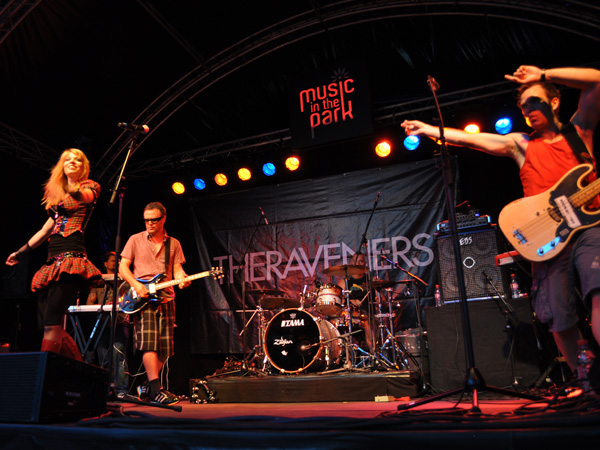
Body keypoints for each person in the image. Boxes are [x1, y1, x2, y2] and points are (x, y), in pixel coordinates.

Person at [401, 66, 600, 379]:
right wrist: (428, 129)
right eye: (523, 106)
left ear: (555, 101)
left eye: (534, 102)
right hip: (546, 238)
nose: (528, 110)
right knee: (558, 314)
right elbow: (473, 140)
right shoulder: (522, 143)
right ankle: (586, 381)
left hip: (590, 229)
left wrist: (543, 75)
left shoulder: (580, 131)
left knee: (598, 290)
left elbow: (597, 79)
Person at [5, 148, 102, 361]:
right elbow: (45, 230)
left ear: (84, 167)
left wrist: (69, 186)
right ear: (62, 166)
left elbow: (85, 197)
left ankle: (46, 368)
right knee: (46, 322)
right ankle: (76, 367)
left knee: (51, 320)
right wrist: (20, 252)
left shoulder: (90, 187)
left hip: (72, 259)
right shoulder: (58, 197)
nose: (73, 162)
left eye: (78, 160)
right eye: (68, 159)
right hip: (52, 261)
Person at [119, 202, 190, 405]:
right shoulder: (135, 240)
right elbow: (123, 267)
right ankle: (157, 390)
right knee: (148, 343)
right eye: (146, 220)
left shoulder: (174, 243)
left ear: (163, 219)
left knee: (166, 348)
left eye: (154, 220)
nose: (149, 223)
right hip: (143, 298)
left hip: (166, 297)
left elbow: (177, 270)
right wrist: (136, 285)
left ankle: (148, 386)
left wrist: (182, 278)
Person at [86, 251, 130, 397]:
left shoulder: (124, 281)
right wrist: (103, 306)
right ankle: (105, 390)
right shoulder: (99, 283)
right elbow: (89, 302)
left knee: (119, 356)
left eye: (118, 260)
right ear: (105, 264)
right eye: (113, 260)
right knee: (104, 358)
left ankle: (121, 391)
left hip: (120, 322)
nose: (117, 263)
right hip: (103, 324)